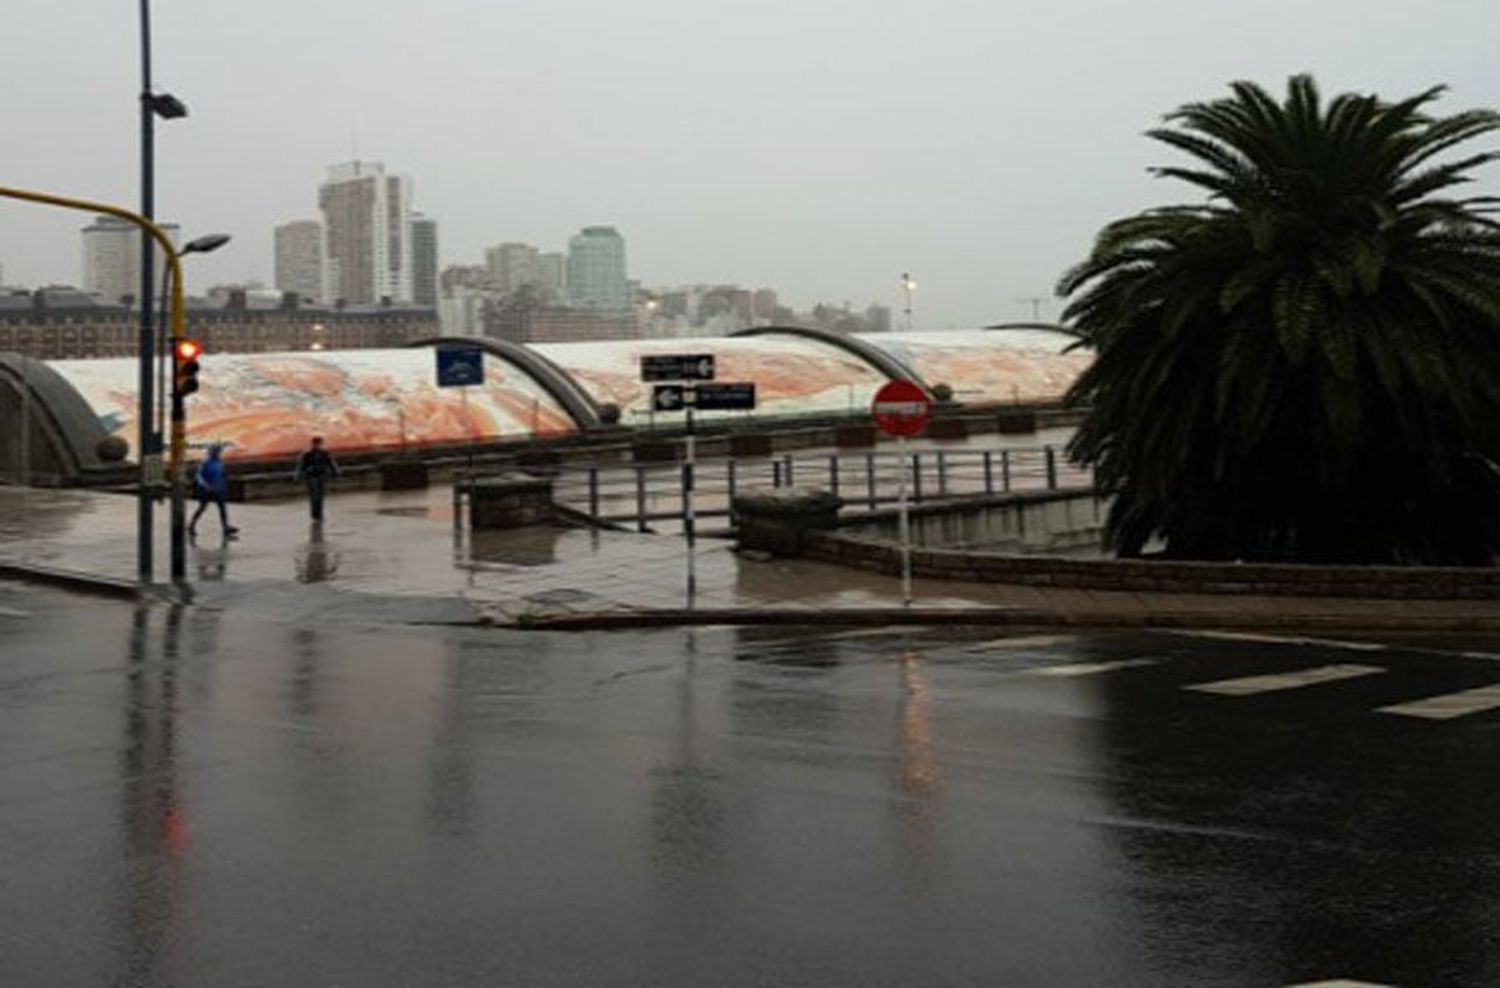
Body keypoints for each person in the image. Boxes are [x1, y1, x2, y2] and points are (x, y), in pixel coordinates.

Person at [189, 444, 238, 539]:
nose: (218, 454)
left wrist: (224, 485)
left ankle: (225, 527)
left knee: (222, 508)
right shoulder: (205, 463)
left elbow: (222, 475)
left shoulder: (219, 462)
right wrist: (205, 485)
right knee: (202, 507)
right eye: (217, 452)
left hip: (218, 489)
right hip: (207, 490)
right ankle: (192, 525)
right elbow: (199, 476)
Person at [293, 436, 340, 522]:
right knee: (314, 496)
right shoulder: (307, 454)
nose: (318, 446)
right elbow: (301, 465)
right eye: (317, 444)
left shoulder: (324, 453)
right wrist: (298, 475)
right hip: (311, 476)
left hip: (321, 476)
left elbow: (331, 463)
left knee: (320, 496)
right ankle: (315, 514)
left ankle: (319, 514)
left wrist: (335, 471)